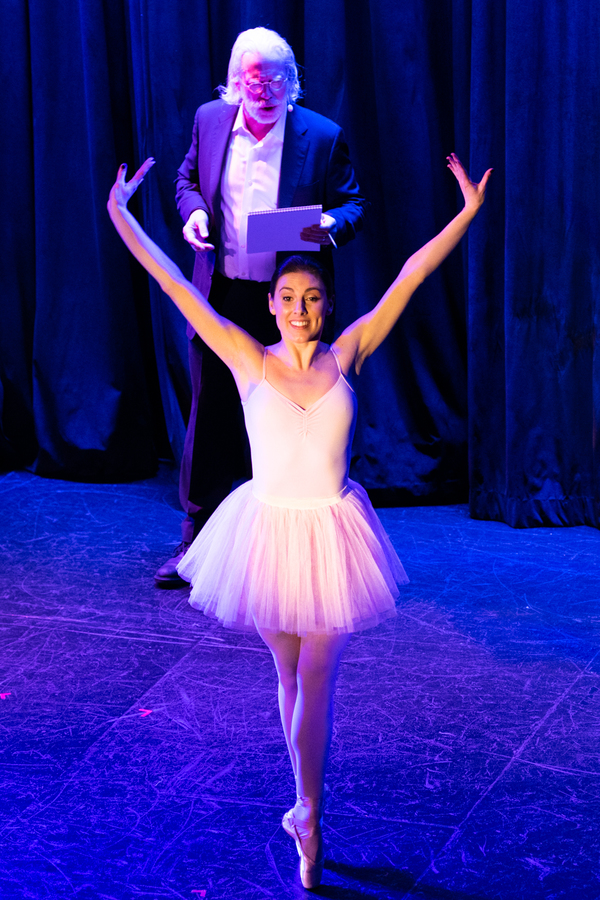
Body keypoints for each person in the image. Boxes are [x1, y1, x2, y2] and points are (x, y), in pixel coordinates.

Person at [108, 152, 491, 888]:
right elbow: (169, 284)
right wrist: (124, 217)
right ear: (275, 305)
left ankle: (310, 813)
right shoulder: (248, 358)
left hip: (332, 534)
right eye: (289, 297)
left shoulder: (348, 354)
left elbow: (410, 275)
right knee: (287, 676)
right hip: (266, 534)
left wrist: (467, 214)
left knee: (316, 674)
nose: (301, 309)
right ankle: (301, 808)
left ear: (326, 304)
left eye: (313, 297)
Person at [156, 26, 366, 586]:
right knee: (210, 416)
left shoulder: (321, 136)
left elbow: (353, 205)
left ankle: (268, 554)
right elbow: (185, 179)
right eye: (253, 81)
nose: (264, 91)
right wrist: (194, 211)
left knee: (270, 426)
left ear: (291, 81)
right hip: (221, 293)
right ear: (235, 82)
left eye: (276, 80)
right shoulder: (209, 120)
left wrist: (327, 224)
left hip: (286, 307)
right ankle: (196, 547)